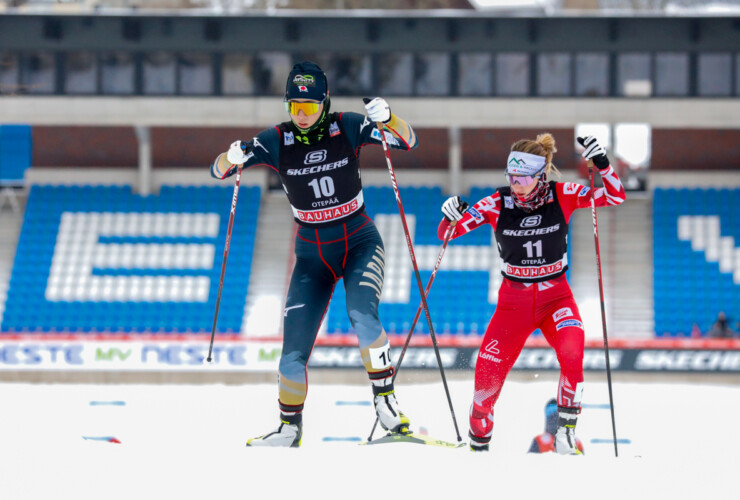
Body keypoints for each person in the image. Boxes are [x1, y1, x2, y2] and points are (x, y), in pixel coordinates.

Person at [210, 61, 419, 447]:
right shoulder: (277, 139)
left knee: (362, 316)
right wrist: (232, 157)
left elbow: (407, 141)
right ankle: (290, 428)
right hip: (312, 257)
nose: (301, 116)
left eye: (308, 107)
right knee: (292, 352)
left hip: (359, 242)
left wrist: (390, 118)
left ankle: (386, 402)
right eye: (294, 107)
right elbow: (218, 171)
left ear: (324, 103)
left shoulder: (350, 125)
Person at [438, 133, 625, 453]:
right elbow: (446, 234)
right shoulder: (496, 203)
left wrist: (603, 164)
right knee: (486, 379)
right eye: (512, 176)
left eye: (523, 177)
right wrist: (449, 214)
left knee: (572, 352)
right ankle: (478, 440)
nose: (516, 184)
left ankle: (566, 431)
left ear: (541, 176)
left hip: (556, 298)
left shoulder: (563, 193)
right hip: (514, 304)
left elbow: (615, 197)